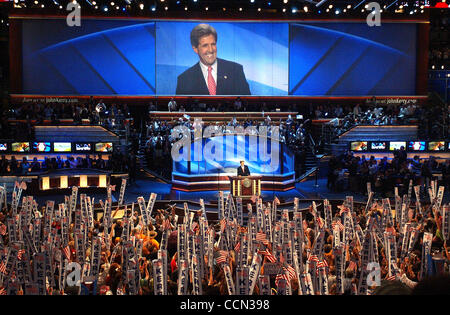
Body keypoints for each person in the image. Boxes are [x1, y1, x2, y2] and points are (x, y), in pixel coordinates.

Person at [176, 23, 251, 96]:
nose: (211, 50)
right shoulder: (184, 79)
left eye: (213, 44)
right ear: (195, 49)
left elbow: (246, 102)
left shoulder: (235, 70)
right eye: (205, 45)